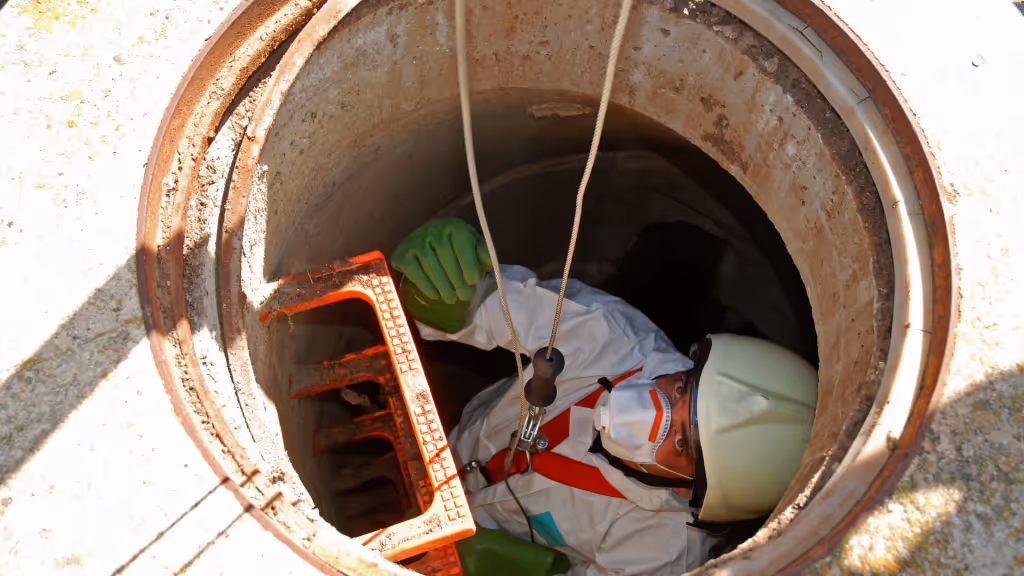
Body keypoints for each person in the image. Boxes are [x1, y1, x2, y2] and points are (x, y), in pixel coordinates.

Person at [391, 218, 818, 576]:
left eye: (683, 441)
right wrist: (449, 293)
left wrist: (540, 572)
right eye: (683, 388)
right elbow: (495, 307)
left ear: (693, 494)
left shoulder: (665, 551)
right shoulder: (613, 338)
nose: (656, 409)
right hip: (441, 444)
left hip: (466, 543)